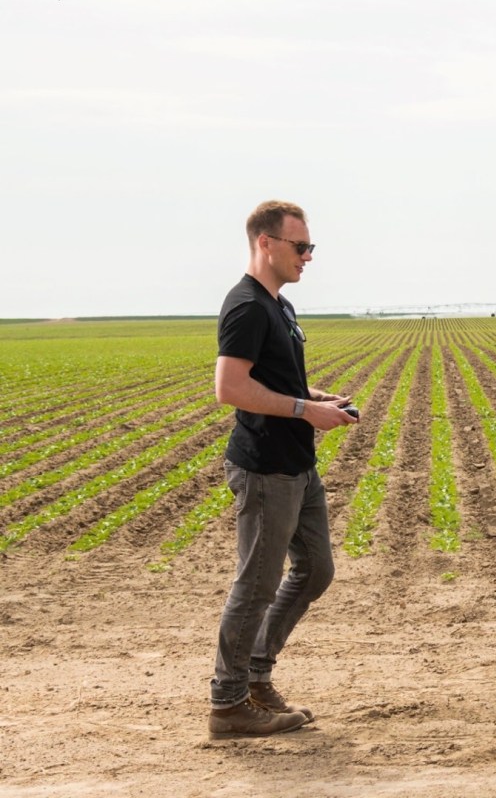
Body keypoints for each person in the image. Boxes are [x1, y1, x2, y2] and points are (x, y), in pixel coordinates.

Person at [208, 200, 358, 737]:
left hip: (297, 464)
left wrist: (318, 400)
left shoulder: (280, 306)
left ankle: (255, 675)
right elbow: (230, 388)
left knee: (316, 569)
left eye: (311, 247)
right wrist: (304, 410)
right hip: (265, 467)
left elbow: (276, 381)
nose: (308, 257)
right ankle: (228, 704)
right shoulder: (246, 306)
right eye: (301, 247)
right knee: (256, 583)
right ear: (266, 243)